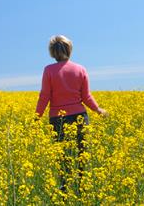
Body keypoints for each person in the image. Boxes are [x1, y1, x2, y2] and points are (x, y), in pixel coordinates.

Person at [35, 35, 108, 193]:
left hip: (57, 119)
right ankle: (82, 189)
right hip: (79, 116)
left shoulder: (48, 70)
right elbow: (86, 97)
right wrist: (98, 110)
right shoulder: (80, 69)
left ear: (52, 52)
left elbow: (44, 96)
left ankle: (65, 191)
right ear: (69, 50)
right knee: (82, 153)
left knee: (62, 157)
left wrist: (36, 117)